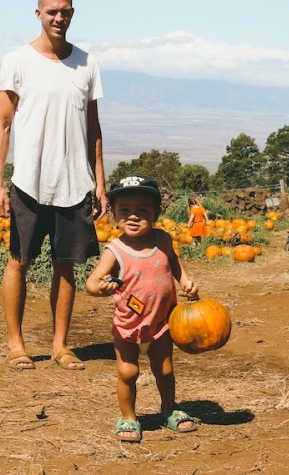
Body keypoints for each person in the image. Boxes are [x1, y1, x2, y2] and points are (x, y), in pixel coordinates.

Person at [0, 0, 109, 372]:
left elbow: (93, 128)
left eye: (67, 11)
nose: (60, 18)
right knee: (19, 261)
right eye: (53, 11)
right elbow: (2, 124)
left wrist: (100, 182)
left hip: (74, 182)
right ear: (38, 13)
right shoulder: (17, 61)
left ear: (73, 13)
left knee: (66, 264)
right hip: (29, 181)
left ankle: (61, 346)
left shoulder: (87, 64)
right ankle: (16, 344)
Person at [85, 175, 199, 443]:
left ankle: (169, 409)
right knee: (128, 373)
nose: (133, 216)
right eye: (124, 210)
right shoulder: (115, 250)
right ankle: (128, 416)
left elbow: (175, 264)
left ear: (156, 213)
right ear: (113, 214)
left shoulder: (163, 240)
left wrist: (186, 282)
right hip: (128, 326)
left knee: (166, 370)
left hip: (162, 323)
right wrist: (99, 288)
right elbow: (91, 281)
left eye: (142, 210)